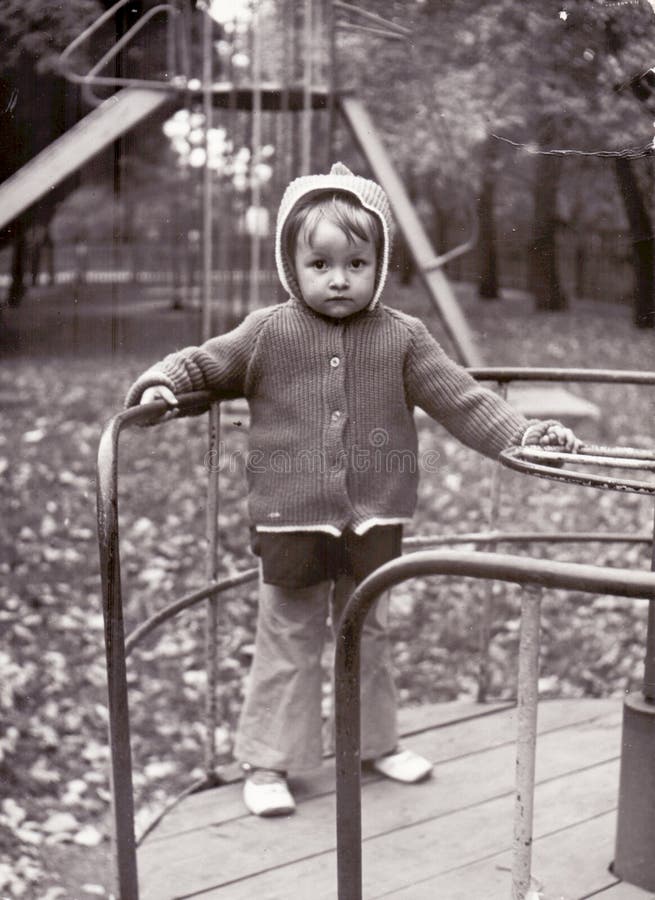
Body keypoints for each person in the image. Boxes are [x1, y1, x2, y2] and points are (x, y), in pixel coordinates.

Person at [124, 162, 581, 817]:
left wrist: (524, 435)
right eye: (319, 263)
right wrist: (165, 386)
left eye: (356, 263)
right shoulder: (266, 332)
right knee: (287, 634)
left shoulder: (402, 337)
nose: (338, 279)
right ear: (292, 264)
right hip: (291, 518)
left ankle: (373, 742)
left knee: (368, 629)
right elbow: (205, 364)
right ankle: (269, 763)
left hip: (375, 517)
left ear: (379, 264)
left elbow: (463, 400)